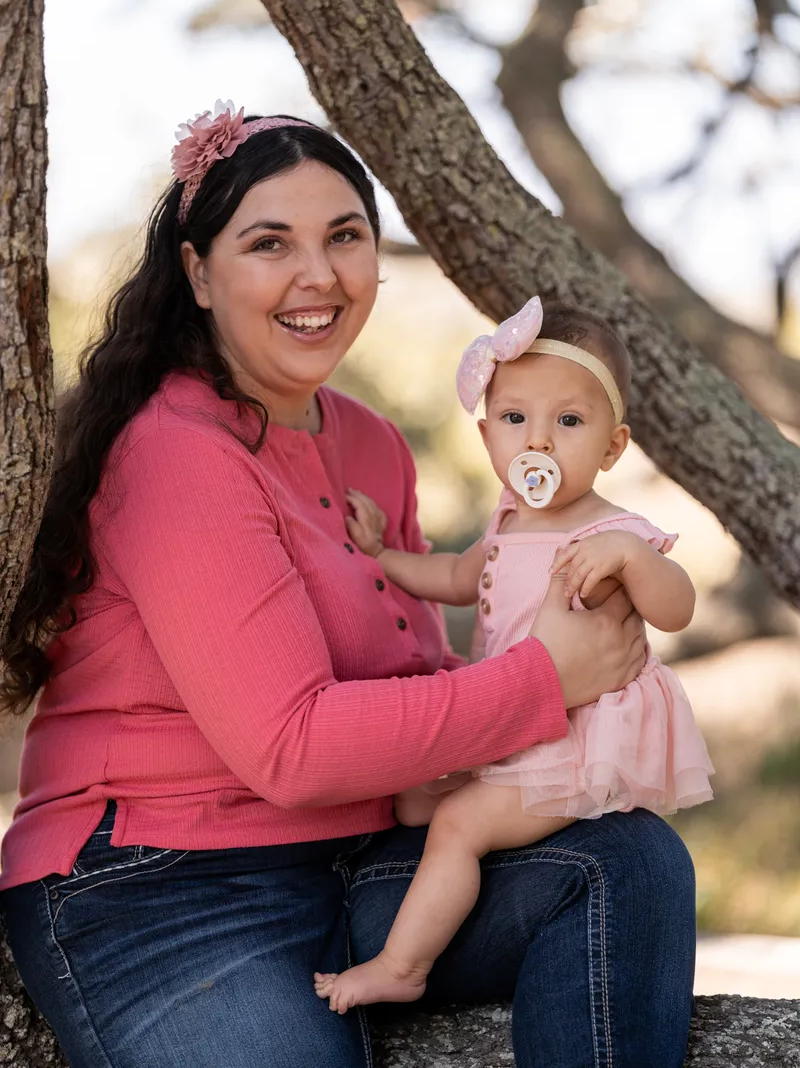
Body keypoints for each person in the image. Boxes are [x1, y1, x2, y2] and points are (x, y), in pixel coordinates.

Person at [0, 102, 695, 1068]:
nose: (317, 275)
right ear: (199, 273)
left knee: (622, 859)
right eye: (268, 243)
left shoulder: (368, 442)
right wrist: (547, 680)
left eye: (345, 237)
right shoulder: (172, 453)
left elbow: (414, 669)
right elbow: (292, 750)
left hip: (362, 862)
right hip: (162, 885)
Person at [314, 297, 714, 1016]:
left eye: (569, 421)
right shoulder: (506, 520)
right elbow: (456, 576)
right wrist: (382, 556)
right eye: (515, 418)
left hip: (571, 741)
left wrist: (629, 558)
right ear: (487, 432)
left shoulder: (616, 529)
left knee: (455, 826)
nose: (540, 439)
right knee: (411, 800)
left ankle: (403, 964)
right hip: (512, 723)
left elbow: (676, 606)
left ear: (613, 446)